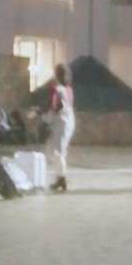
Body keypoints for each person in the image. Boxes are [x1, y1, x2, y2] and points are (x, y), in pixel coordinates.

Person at [45, 64, 75, 192]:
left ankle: (62, 179)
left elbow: (56, 106)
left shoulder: (59, 89)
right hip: (67, 121)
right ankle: (60, 177)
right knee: (58, 151)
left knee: (56, 152)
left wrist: (46, 118)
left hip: (61, 122)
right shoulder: (68, 88)